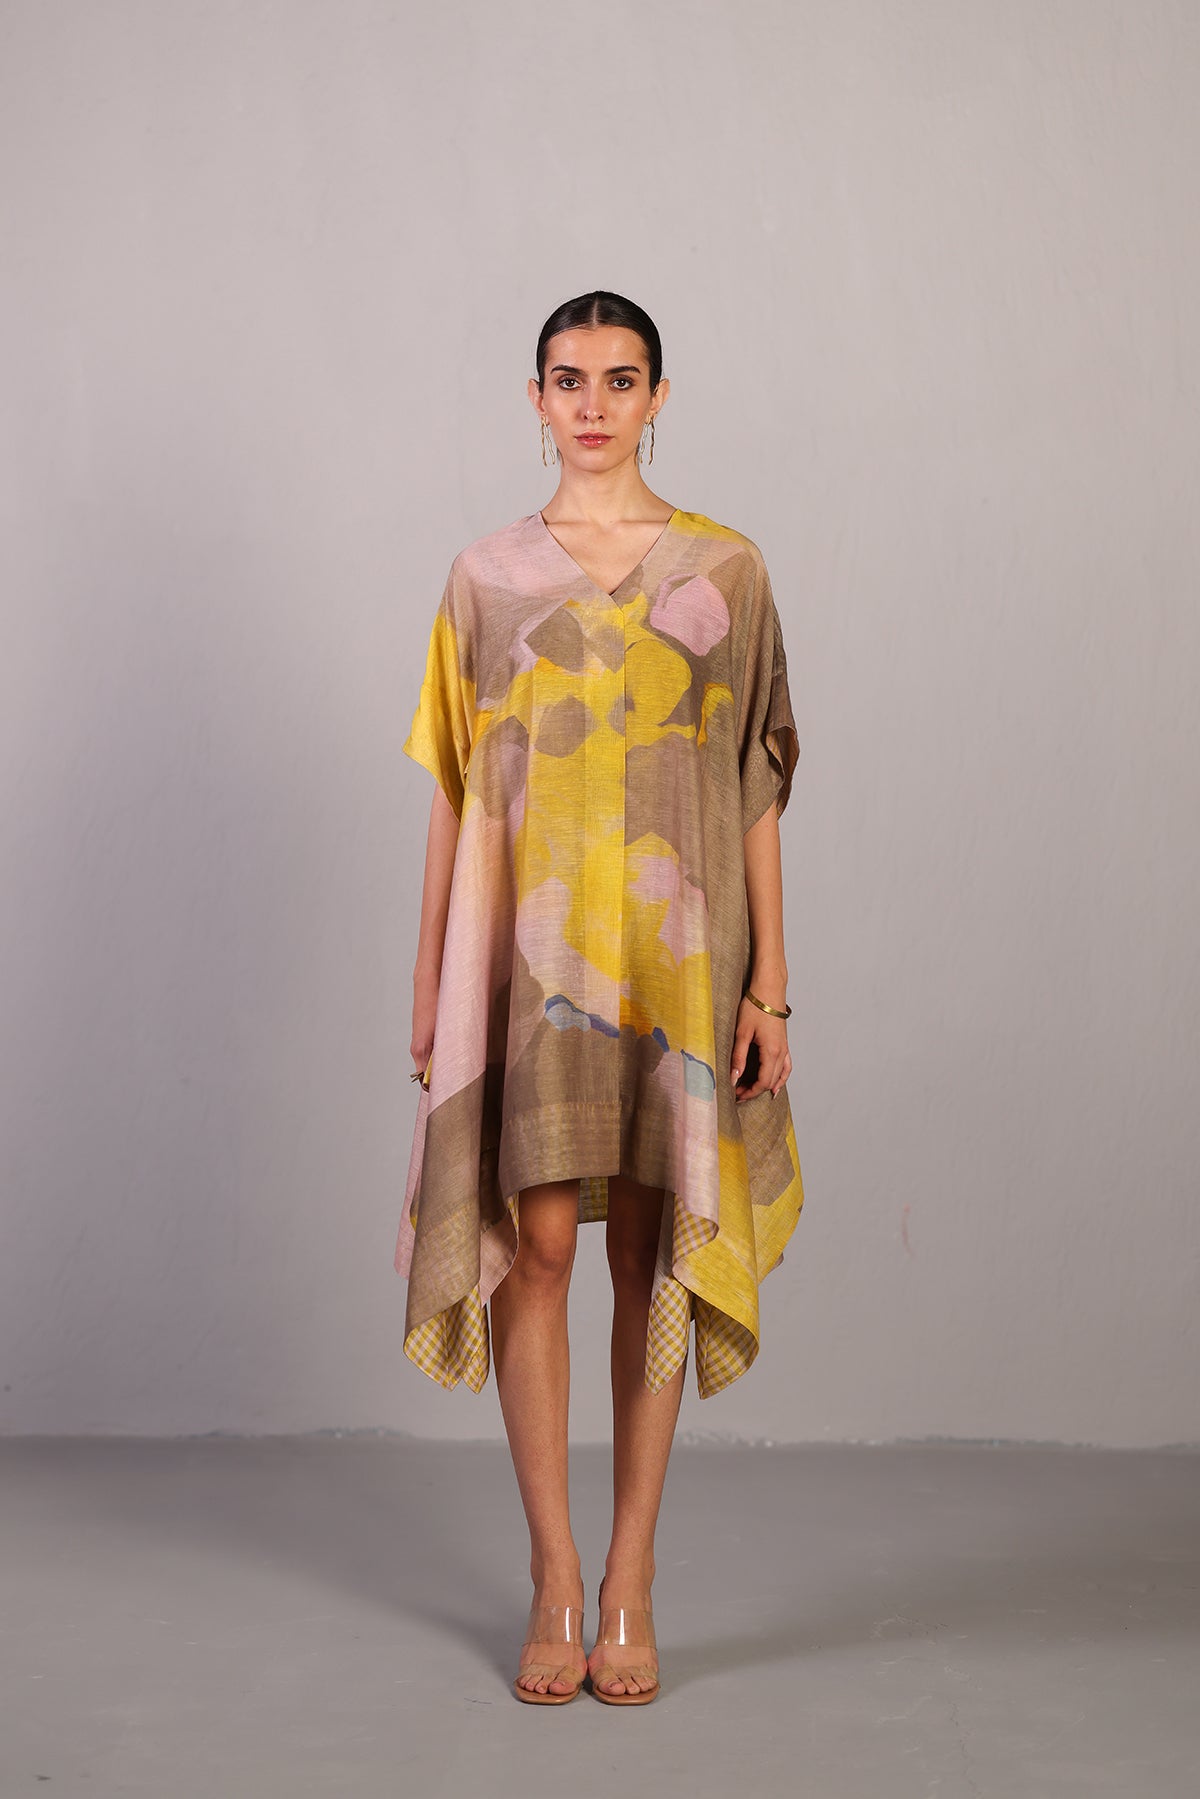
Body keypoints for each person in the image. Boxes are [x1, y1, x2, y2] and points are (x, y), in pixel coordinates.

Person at [396, 290, 804, 1705]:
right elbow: (458, 788)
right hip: (525, 966)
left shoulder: (727, 571)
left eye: (619, 380)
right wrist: (429, 974)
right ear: (535, 399)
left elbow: (756, 780)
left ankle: (631, 1574)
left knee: (646, 1257)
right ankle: (554, 1572)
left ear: (657, 397)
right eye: (568, 380)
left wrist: (773, 983)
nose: (593, 405)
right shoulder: (485, 578)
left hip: (675, 964)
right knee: (540, 1248)